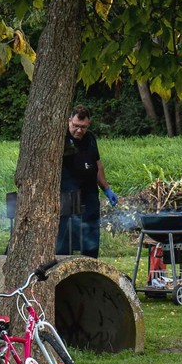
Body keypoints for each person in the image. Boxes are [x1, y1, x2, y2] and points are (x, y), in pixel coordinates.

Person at [56, 107, 116, 258]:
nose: (79, 130)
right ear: (69, 121)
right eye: (75, 125)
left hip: (89, 193)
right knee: (65, 238)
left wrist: (106, 189)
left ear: (89, 124)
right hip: (67, 195)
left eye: (83, 127)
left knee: (91, 234)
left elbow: (97, 164)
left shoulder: (90, 138)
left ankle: (90, 266)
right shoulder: (59, 138)